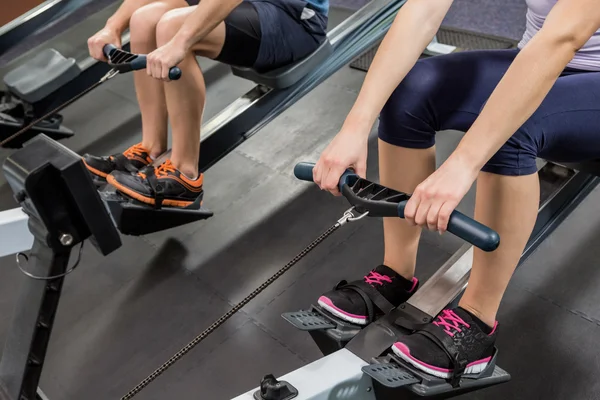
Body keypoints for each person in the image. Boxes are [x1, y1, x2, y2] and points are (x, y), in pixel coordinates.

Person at [313, 0, 600, 379]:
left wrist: (463, 163)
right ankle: (396, 274)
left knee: (508, 132)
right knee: (411, 93)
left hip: (573, 64)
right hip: (540, 56)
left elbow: (564, 37)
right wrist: (354, 126)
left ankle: (477, 323)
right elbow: (423, 10)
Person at [83, 0, 328, 208]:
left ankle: (184, 173)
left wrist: (180, 42)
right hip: (248, 7)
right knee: (143, 20)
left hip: (296, 19)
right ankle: (150, 148)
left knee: (172, 27)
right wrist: (112, 26)